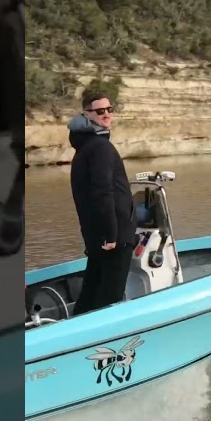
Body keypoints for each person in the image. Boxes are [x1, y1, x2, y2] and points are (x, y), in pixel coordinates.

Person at [68, 93, 137, 316]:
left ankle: (74, 334)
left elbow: (86, 197)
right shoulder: (100, 148)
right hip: (113, 235)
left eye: (109, 109)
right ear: (87, 115)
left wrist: (96, 236)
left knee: (92, 293)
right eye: (100, 111)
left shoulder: (84, 148)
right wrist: (111, 235)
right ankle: (102, 345)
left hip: (98, 234)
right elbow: (102, 192)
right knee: (109, 298)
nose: (106, 114)